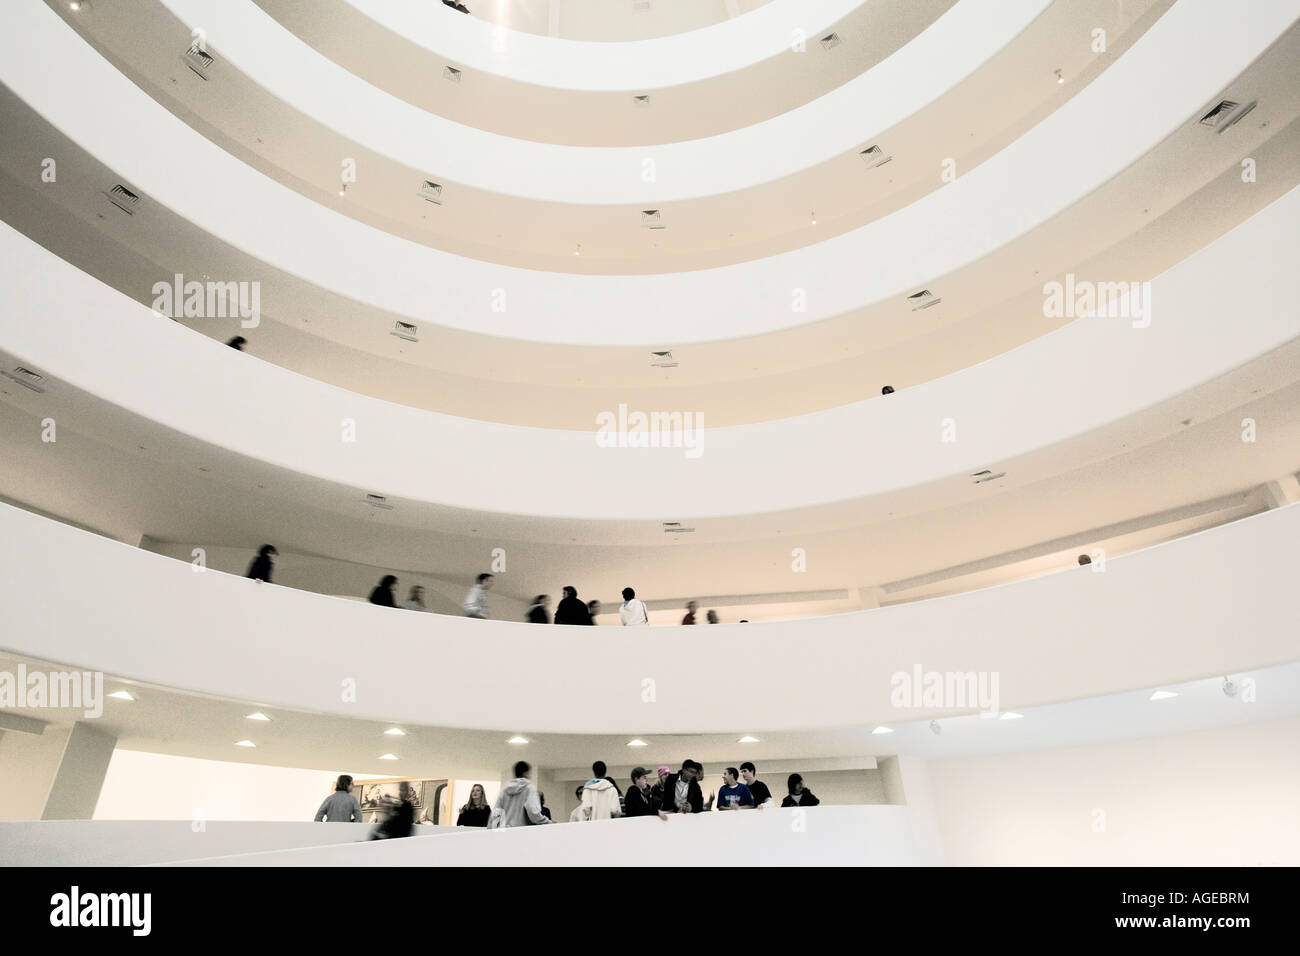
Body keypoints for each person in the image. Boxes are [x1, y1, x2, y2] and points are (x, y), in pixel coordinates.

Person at [489, 761, 550, 827]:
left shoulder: (504, 789)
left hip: (506, 831)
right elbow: (533, 812)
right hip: (521, 832)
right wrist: (547, 822)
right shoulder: (529, 788)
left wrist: (492, 830)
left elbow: (496, 813)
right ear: (526, 773)